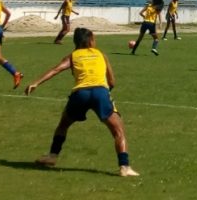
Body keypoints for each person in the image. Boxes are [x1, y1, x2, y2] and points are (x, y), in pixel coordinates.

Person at [25, 27, 139, 177]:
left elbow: (55, 70)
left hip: (80, 94)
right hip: (100, 93)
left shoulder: (73, 56)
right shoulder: (101, 54)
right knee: (118, 131)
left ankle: (52, 156)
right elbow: (112, 81)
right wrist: (105, 94)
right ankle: (124, 167)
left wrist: (36, 83)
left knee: (63, 125)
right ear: (90, 40)